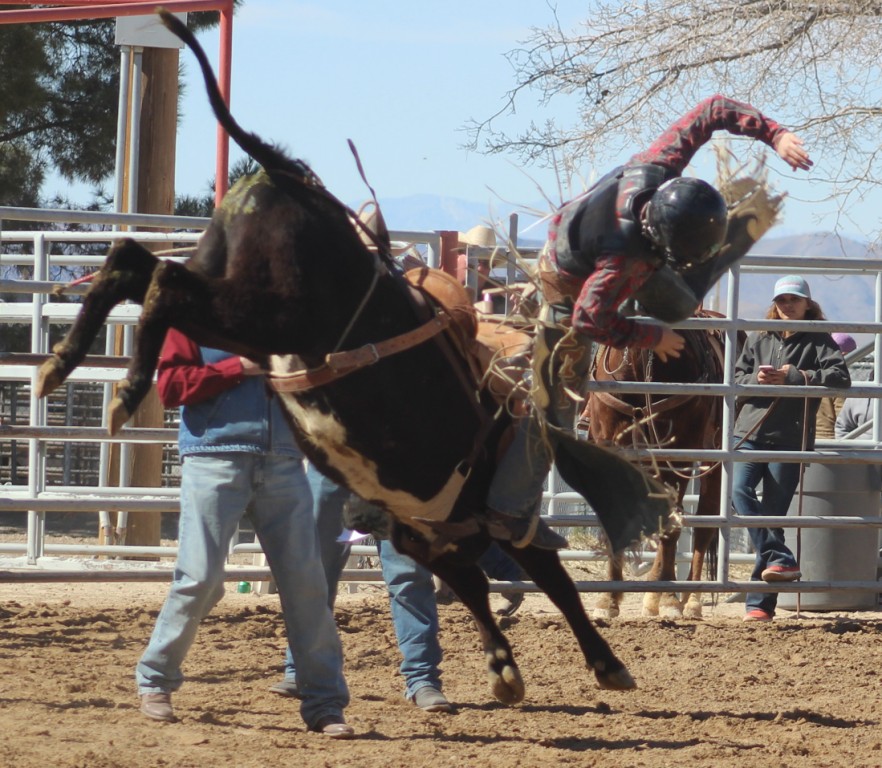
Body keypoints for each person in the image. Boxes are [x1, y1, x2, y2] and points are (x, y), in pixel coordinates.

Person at [485, 94, 815, 550]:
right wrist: (649, 336)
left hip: (628, 251)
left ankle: (684, 286)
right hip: (570, 281)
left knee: (679, 302)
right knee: (555, 405)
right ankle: (509, 507)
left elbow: (712, 110)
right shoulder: (618, 260)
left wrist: (773, 133)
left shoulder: (656, 168)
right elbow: (588, 317)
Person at [135, 329, 353, 738]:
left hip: (283, 461)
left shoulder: (284, 318)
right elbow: (170, 387)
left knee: (307, 583)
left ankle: (325, 702)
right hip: (214, 457)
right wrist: (240, 366)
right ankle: (156, 679)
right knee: (200, 578)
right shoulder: (190, 320)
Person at [270, 472, 454, 713]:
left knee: (409, 576)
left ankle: (422, 679)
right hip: (332, 460)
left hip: (393, 466)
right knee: (316, 572)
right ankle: (301, 669)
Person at [732, 275, 850, 622]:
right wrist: (758, 379)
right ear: (775, 304)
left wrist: (796, 377)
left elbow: (841, 378)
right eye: (782, 300)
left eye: (795, 300)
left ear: (808, 305)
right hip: (750, 432)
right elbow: (737, 379)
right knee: (739, 492)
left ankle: (759, 604)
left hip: (790, 437)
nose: (788, 305)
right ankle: (780, 556)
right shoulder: (758, 335)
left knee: (772, 514)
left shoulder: (819, 339)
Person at [816, 332, 857, 439]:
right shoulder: (839, 380)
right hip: (831, 436)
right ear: (843, 355)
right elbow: (842, 414)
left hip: (810, 434)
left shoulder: (814, 374)